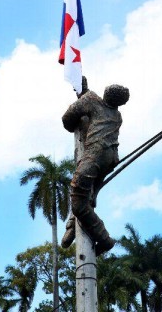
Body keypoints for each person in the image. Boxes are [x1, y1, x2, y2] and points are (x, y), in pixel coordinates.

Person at [60, 77, 130, 256]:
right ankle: (71, 227)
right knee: (88, 195)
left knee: (78, 199)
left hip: (95, 156)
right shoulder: (117, 115)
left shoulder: (90, 100)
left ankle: (105, 239)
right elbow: (94, 112)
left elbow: (67, 121)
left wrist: (81, 106)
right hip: (111, 158)